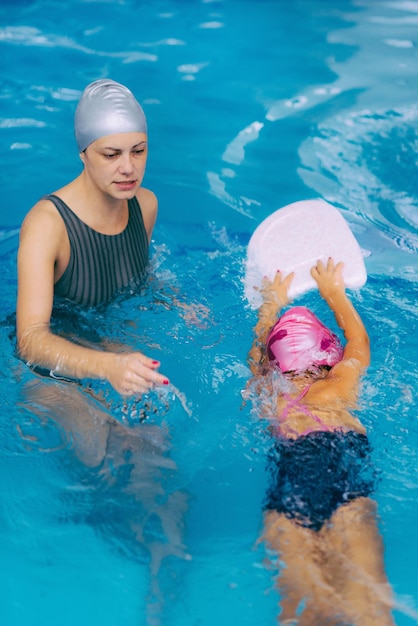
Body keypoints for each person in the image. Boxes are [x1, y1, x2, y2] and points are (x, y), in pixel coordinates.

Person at [247, 258, 394, 625]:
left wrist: (269, 306)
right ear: (330, 355)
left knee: (307, 613)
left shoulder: (270, 392)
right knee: (369, 607)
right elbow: (359, 342)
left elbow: (257, 357)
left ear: (277, 365)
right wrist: (333, 293)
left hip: (287, 493)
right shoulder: (339, 384)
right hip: (344, 483)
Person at [16, 78, 169, 395]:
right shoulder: (48, 225)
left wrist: (175, 300)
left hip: (108, 344)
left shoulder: (145, 205)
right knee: (101, 441)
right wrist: (107, 365)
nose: (128, 168)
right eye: (111, 155)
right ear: (83, 154)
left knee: (153, 441)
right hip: (48, 370)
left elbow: (137, 281)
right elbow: (30, 341)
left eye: (138, 151)